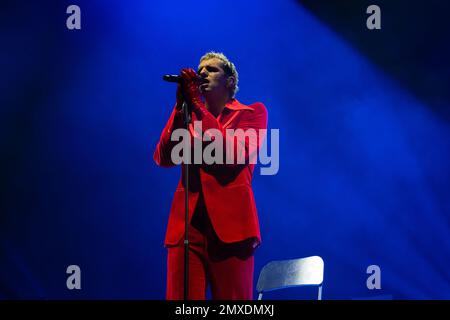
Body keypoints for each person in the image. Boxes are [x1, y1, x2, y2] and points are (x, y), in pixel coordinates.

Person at [154, 52, 267, 300]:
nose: (202, 73)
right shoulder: (190, 116)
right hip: (187, 228)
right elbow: (163, 157)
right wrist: (180, 107)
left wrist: (196, 106)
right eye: (200, 69)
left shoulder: (252, 113)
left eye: (212, 69)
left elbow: (230, 155)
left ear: (229, 81)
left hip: (233, 230)